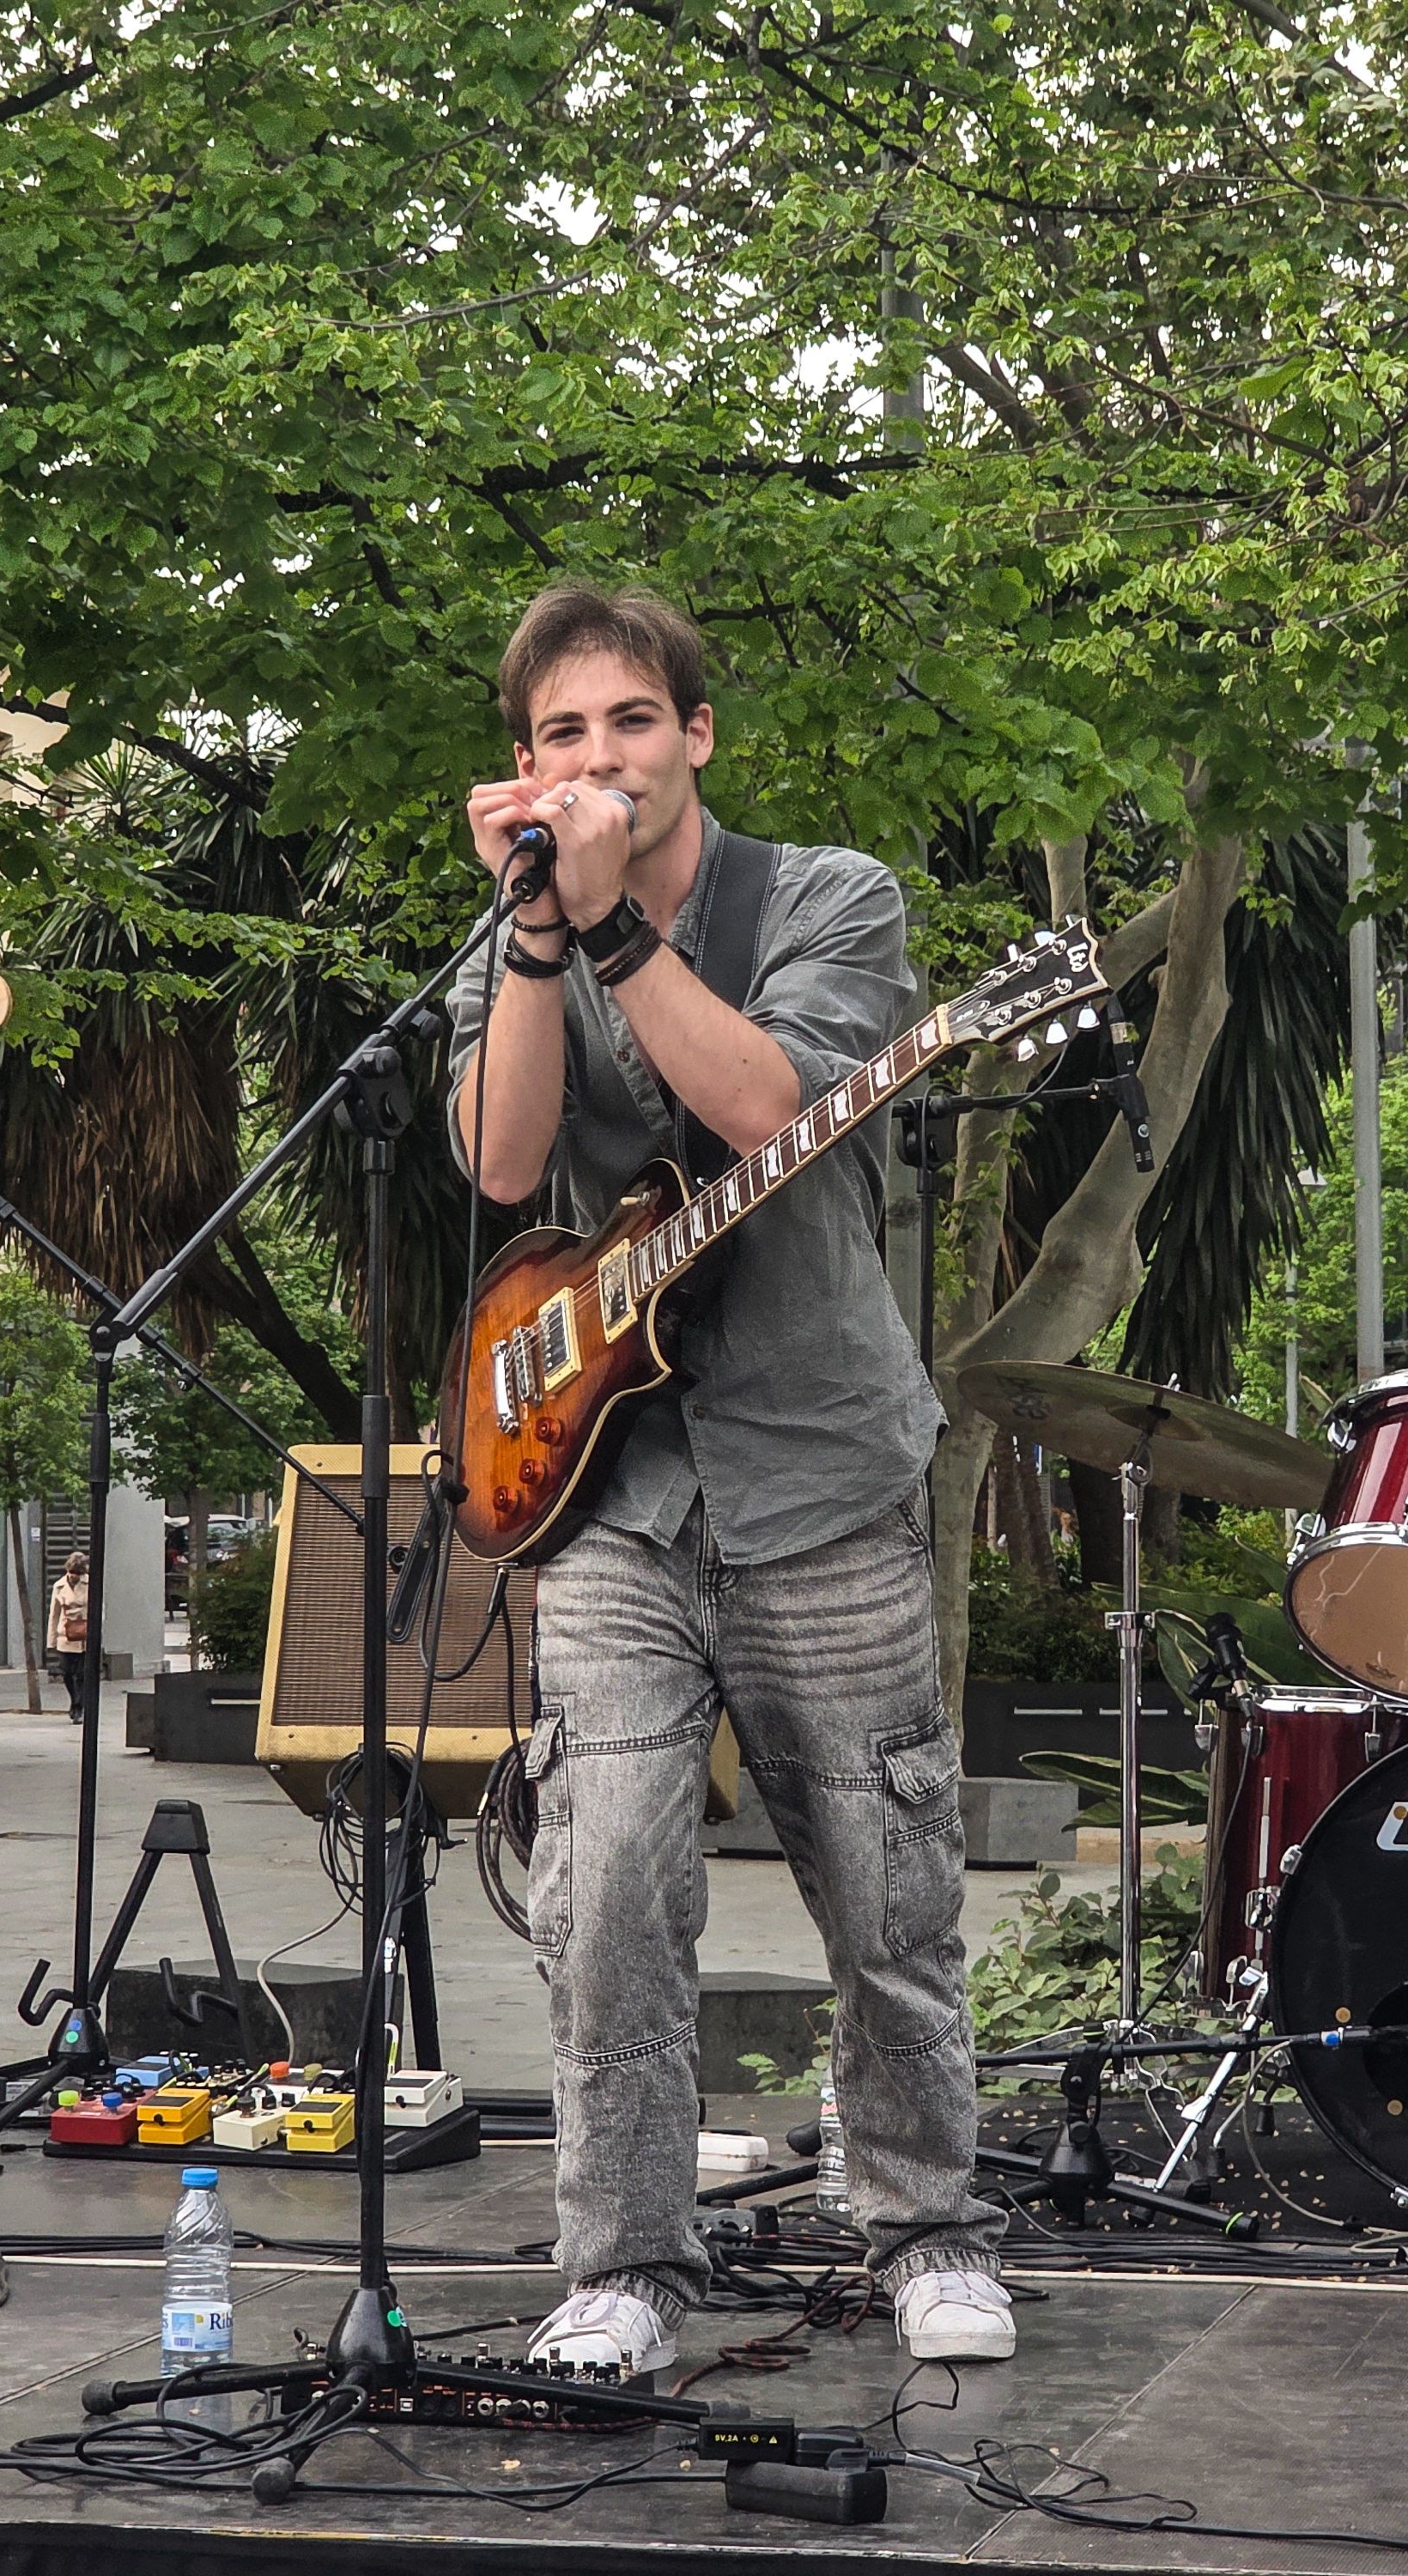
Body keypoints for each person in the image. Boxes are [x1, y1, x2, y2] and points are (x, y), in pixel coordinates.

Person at [444, 585, 1008, 2375]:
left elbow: (770, 1110)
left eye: (624, 722)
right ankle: (618, 2261)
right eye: (557, 735)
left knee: (879, 1871)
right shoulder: (518, 922)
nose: (592, 758)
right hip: (609, 1480)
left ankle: (927, 2227)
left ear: (693, 736)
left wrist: (616, 935)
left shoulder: (828, 899)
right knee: (605, 1874)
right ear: (523, 765)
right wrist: (539, 937)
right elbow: (502, 1156)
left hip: (817, 1458)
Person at [48, 1548, 93, 1718]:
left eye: (78, 1573)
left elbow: (98, 1609)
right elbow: (54, 1614)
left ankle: (79, 1706)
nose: (74, 1576)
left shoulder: (90, 1584)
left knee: (81, 1673)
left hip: (83, 1635)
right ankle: (74, 1700)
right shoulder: (59, 1586)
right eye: (72, 1572)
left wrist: (95, 1633)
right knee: (66, 1671)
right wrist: (51, 1641)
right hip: (65, 1635)